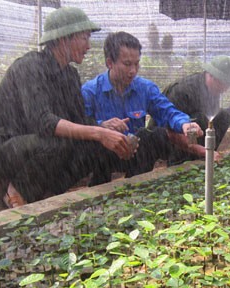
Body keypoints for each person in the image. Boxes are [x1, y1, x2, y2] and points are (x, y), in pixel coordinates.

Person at [0, 7, 134, 208]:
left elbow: (78, 121)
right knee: (59, 143)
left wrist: (104, 127)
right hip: (6, 148)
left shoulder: (69, 76)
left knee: (90, 146)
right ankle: (15, 191)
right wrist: (97, 132)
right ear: (63, 39)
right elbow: (43, 122)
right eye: (84, 38)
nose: (88, 46)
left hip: (35, 147)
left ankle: (45, 195)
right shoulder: (30, 66)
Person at [82, 31, 205, 179]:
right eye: (127, 64)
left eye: (136, 63)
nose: (133, 70)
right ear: (110, 63)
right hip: (104, 155)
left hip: (135, 153)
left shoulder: (145, 88)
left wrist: (184, 124)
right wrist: (101, 127)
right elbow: (81, 126)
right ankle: (99, 184)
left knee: (152, 136)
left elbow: (166, 111)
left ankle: (138, 183)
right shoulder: (90, 91)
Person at [152, 54, 230, 165]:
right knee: (197, 119)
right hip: (162, 141)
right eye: (226, 84)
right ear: (214, 77)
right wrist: (204, 151)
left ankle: (202, 159)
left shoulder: (213, 90)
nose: (226, 89)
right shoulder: (183, 91)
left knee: (223, 116)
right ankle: (181, 164)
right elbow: (170, 133)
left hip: (190, 139)